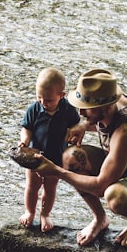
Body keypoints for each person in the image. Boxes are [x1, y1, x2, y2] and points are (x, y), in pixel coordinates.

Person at [34, 68, 127, 247]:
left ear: (105, 108)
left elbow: (100, 187)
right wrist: (83, 126)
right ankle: (100, 219)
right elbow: (98, 118)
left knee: (114, 196)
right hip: (120, 163)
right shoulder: (107, 98)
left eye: (86, 109)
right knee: (71, 158)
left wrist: (56, 171)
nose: (81, 113)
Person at [18, 67, 80, 232]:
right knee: (32, 186)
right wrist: (25, 140)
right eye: (39, 98)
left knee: (50, 188)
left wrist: (74, 139)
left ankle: (45, 214)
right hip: (35, 156)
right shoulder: (34, 109)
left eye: (48, 100)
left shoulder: (68, 110)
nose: (43, 103)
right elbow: (27, 128)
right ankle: (29, 211)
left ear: (62, 95)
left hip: (56, 158)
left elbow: (77, 127)